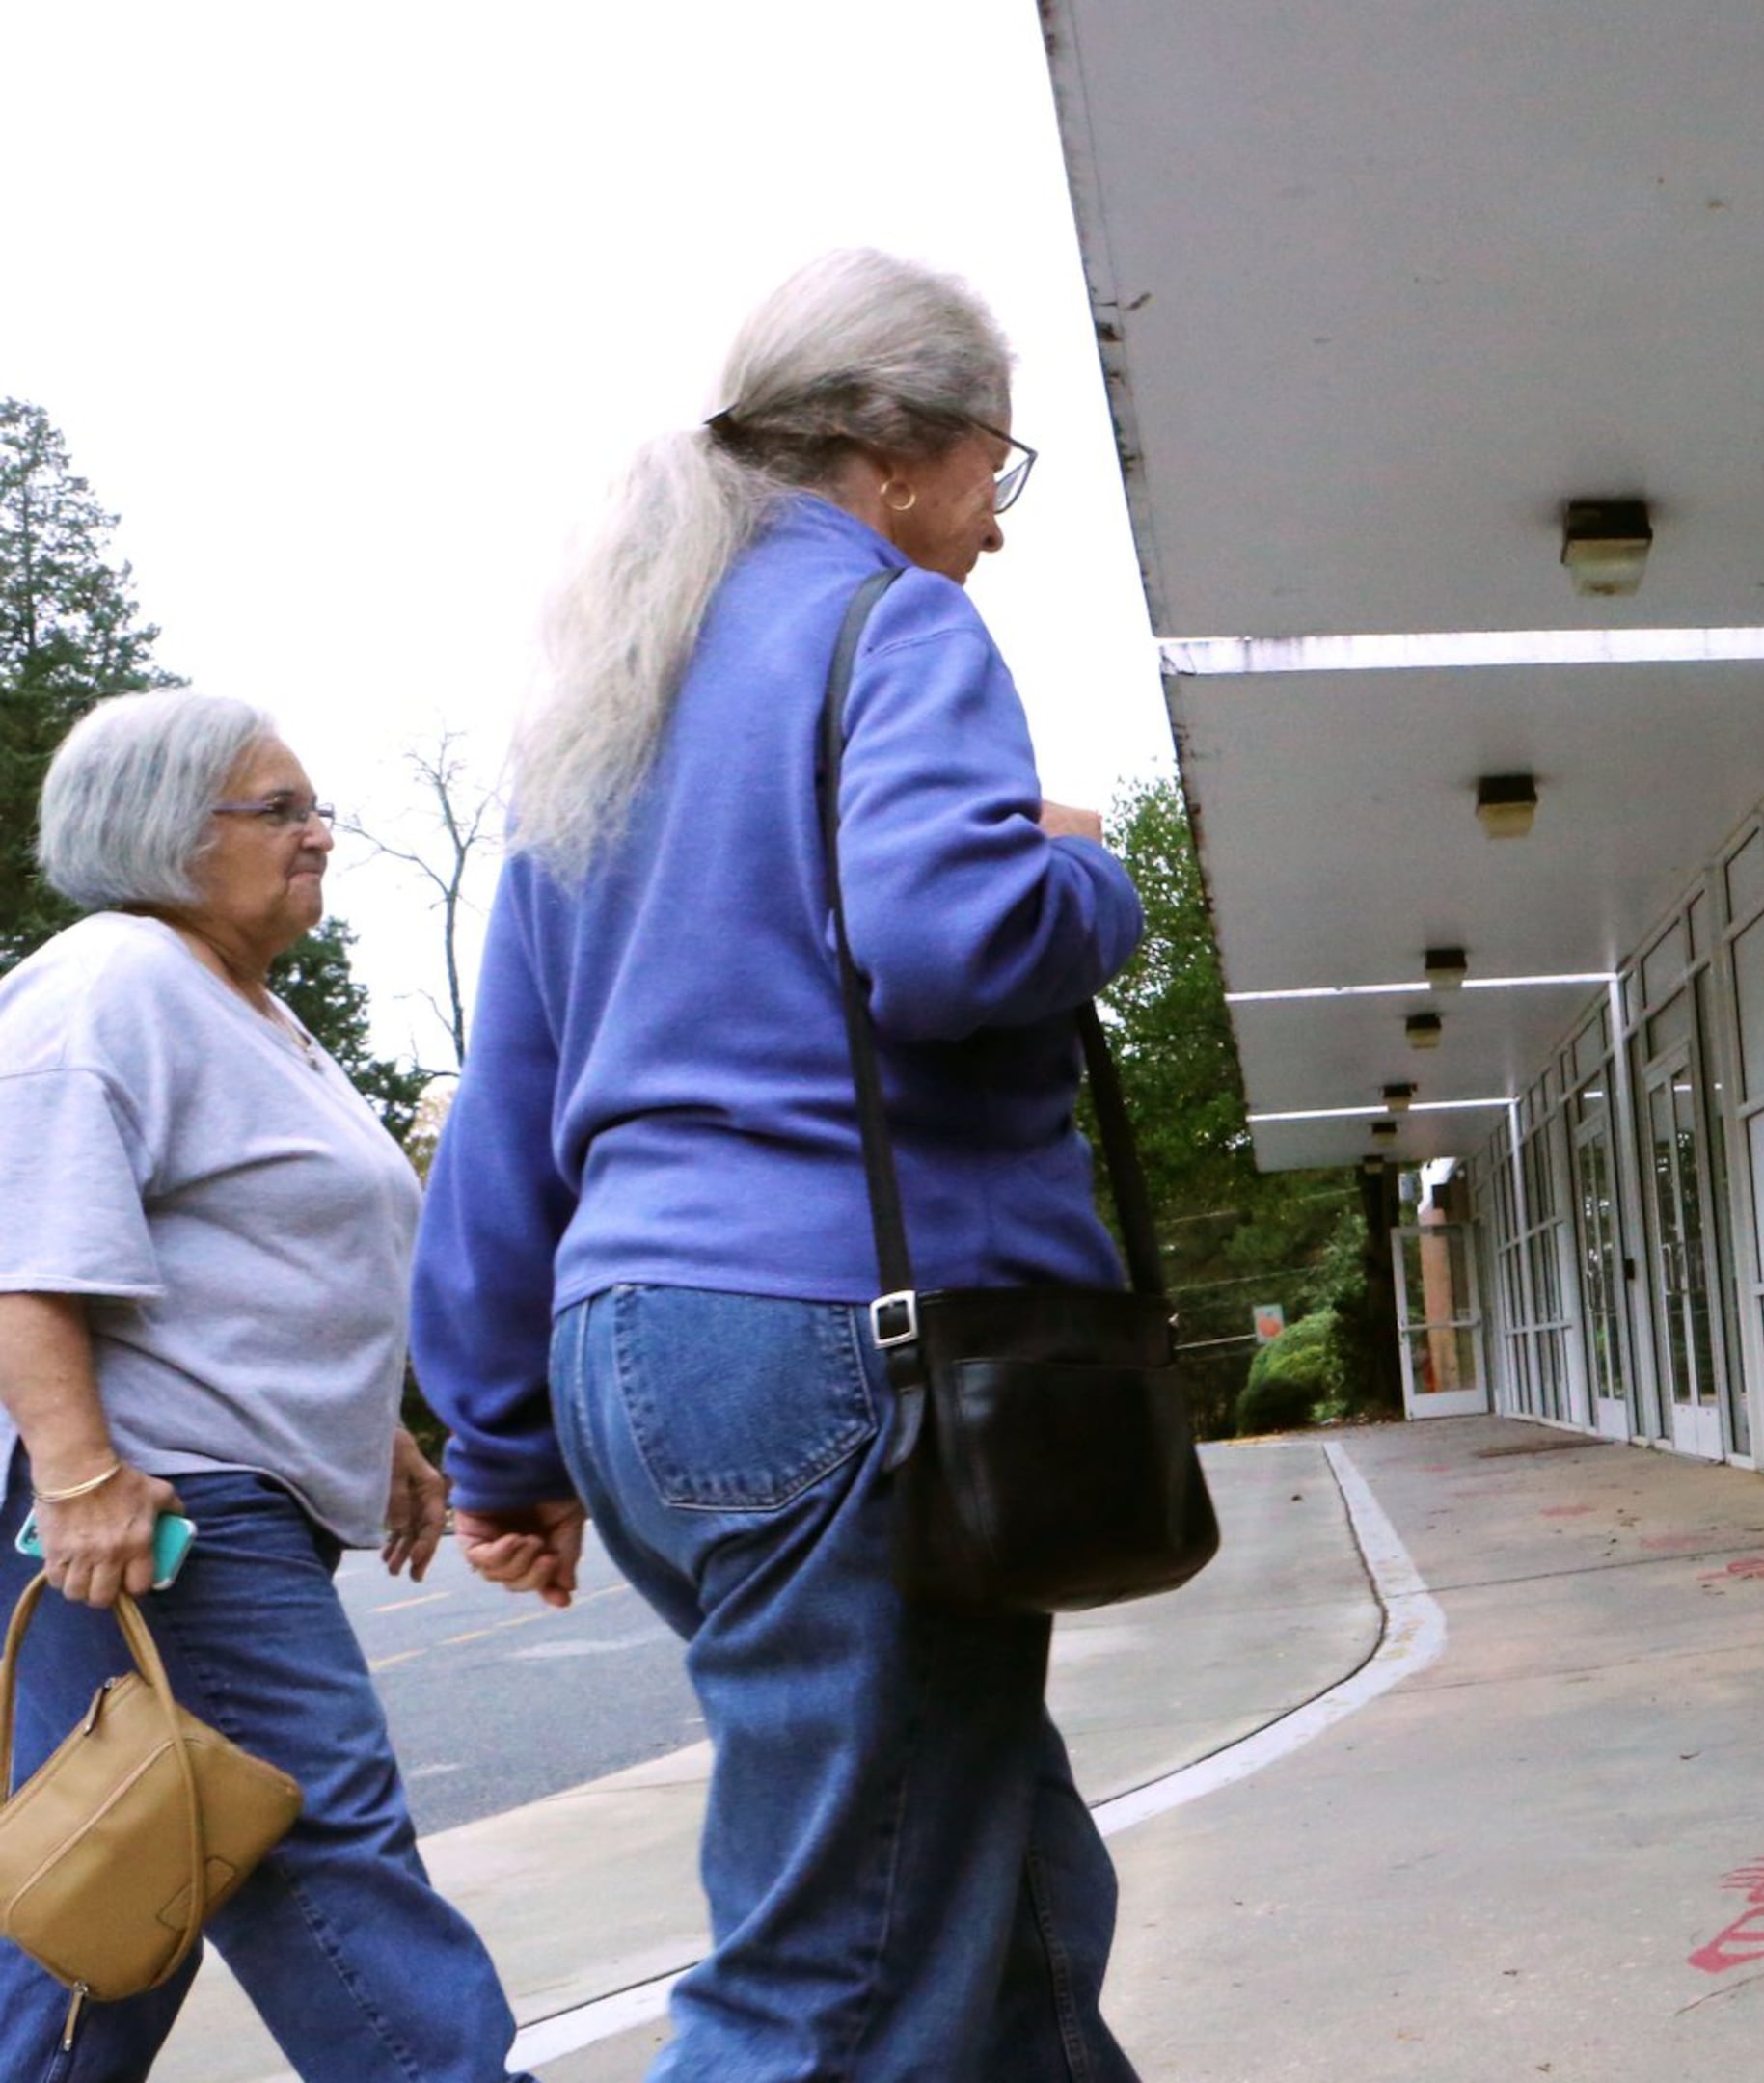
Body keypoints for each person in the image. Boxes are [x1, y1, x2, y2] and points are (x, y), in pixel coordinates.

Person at [411, 250, 1146, 2079]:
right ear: (896, 453)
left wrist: (501, 1435)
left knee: (985, 1862)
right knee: (827, 1969)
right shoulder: (887, 625)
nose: (997, 523)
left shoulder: (618, 680)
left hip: (645, 1353)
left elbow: (512, 1095)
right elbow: (953, 940)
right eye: (998, 468)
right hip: (846, 1353)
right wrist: (1089, 871)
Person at [0, 690, 531, 2079]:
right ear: (167, 833)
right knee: (320, 1841)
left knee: (126, 1878)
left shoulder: (243, 1007)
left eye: (314, 808)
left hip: (217, 1493)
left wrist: (384, 1440)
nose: (319, 836)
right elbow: (23, 1254)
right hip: (169, 1509)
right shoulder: (111, 982)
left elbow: (275, 1254)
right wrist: (76, 1475)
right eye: (280, 810)